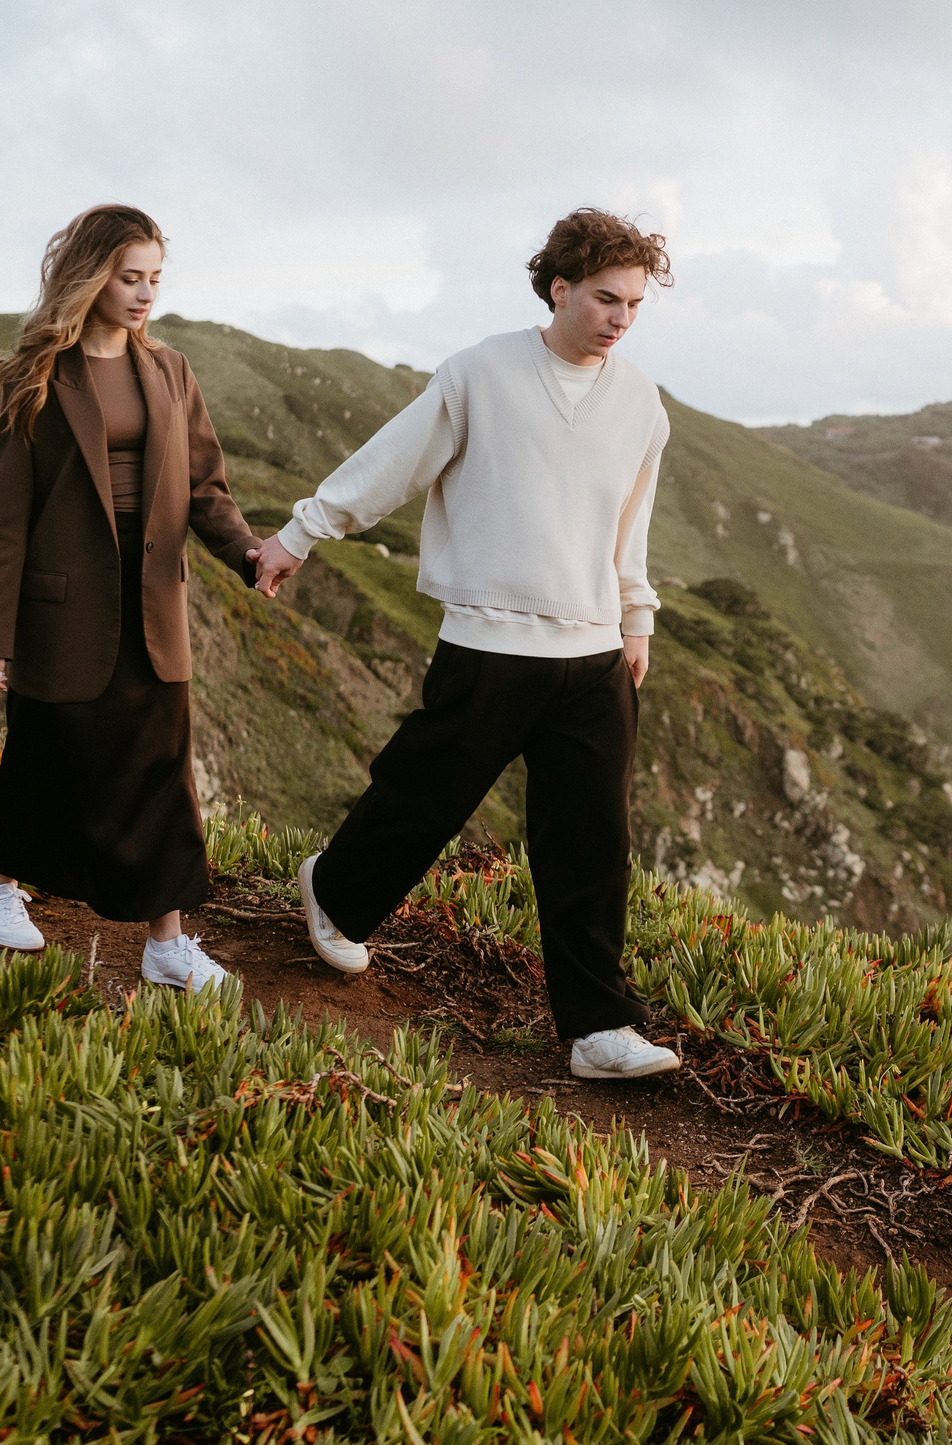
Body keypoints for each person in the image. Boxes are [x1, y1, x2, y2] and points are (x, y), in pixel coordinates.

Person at [251, 208, 683, 1080]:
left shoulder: (641, 402)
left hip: (595, 654)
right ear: (558, 287)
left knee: (592, 840)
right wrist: (301, 533)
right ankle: (334, 891)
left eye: (634, 304)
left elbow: (628, 526)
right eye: (605, 298)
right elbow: (390, 462)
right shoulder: (479, 373)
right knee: (425, 795)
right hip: (490, 641)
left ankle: (599, 1028)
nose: (620, 319)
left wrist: (636, 618)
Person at [0, 204, 259, 992]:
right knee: (50, 749)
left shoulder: (170, 371)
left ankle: (167, 942)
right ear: (92, 276)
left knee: (164, 761)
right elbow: (5, 513)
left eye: (155, 279)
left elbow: (205, 488)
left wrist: (247, 552)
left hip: (153, 594)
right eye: (131, 278)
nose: (144, 294)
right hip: (59, 601)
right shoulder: (38, 374)